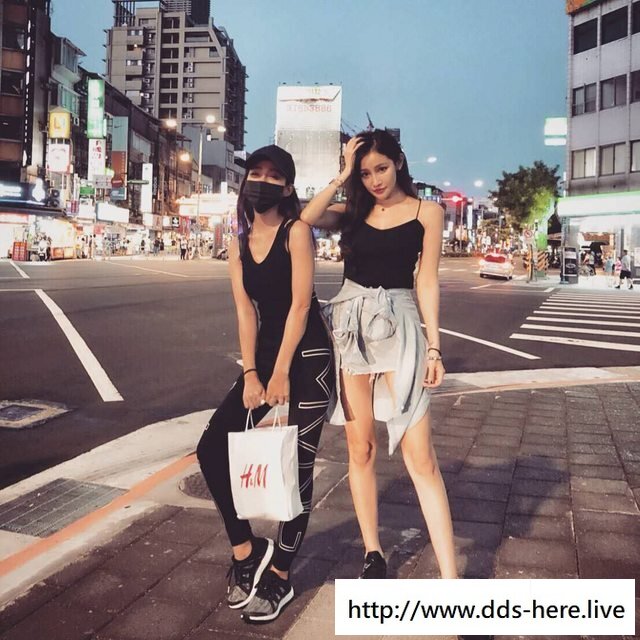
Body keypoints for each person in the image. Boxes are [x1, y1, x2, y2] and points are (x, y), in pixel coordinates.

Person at [300, 129, 457, 580]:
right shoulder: (354, 210)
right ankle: (373, 551)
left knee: (420, 456)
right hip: (350, 326)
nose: (375, 181)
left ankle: (451, 577)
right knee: (361, 446)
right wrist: (343, 173)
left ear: (399, 162)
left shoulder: (428, 212)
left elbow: (427, 280)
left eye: (381, 169)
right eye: (366, 173)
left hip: (401, 325)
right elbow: (307, 217)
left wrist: (434, 347)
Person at [196, 145, 335, 624]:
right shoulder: (237, 242)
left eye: (274, 175)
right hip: (267, 360)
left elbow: (301, 306)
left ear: (288, 187)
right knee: (211, 447)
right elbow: (245, 311)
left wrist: (281, 373)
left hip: (309, 357)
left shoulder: (297, 232)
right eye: (255, 172)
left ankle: (280, 575)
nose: (263, 181)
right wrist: (252, 373)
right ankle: (246, 549)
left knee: (298, 467)